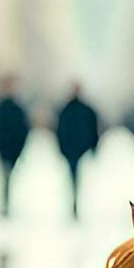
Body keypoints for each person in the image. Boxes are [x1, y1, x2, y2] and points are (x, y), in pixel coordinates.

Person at [54, 82, 100, 218]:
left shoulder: (66, 110)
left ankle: (74, 202)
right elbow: (93, 129)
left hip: (72, 150)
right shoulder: (85, 110)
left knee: (73, 176)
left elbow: (60, 130)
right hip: (79, 149)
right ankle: (75, 202)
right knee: (77, 177)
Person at [0, 76, 30, 216]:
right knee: (6, 177)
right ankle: (6, 202)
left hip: (10, 151)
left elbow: (23, 130)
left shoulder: (12, 109)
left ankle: (7, 202)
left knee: (7, 177)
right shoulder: (3, 109)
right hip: (6, 150)